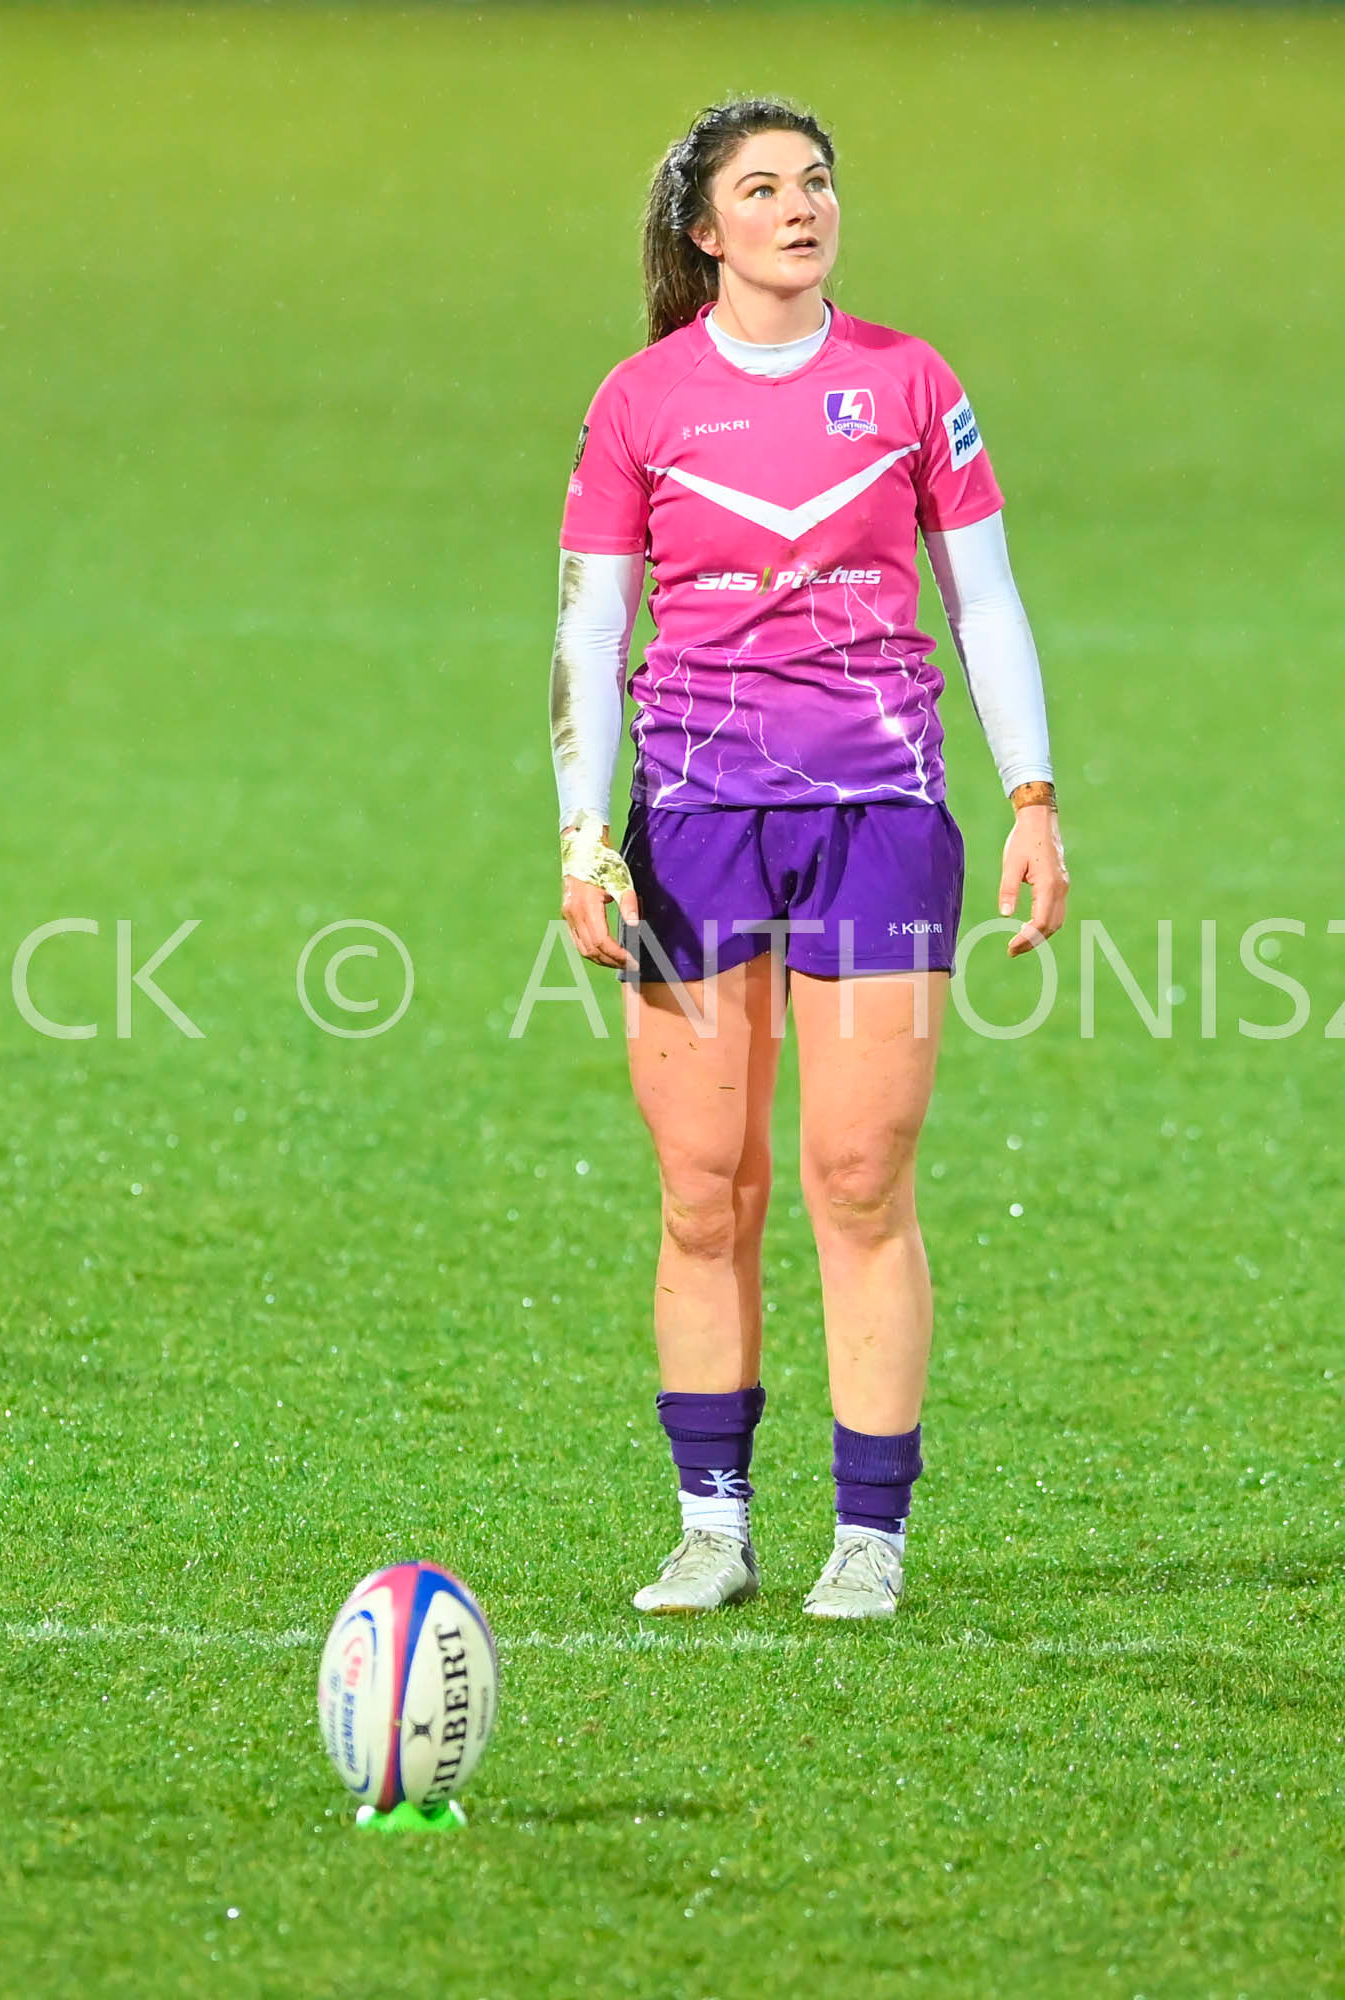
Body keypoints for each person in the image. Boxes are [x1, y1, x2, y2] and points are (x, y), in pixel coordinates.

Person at [550, 97, 1069, 1619]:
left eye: (817, 182)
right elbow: (588, 626)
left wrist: (1031, 796)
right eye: (763, 188)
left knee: (856, 1176)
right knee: (704, 1188)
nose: (801, 206)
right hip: (694, 831)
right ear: (702, 232)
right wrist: (585, 838)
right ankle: (711, 1524)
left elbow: (983, 602)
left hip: (878, 825)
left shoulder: (908, 384)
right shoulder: (638, 402)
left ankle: (868, 1535)